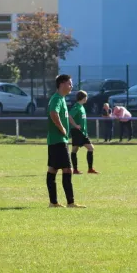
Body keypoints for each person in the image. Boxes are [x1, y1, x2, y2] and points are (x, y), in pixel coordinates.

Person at [46, 74, 86, 208]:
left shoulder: (61, 98)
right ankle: (70, 202)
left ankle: (53, 202)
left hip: (56, 140)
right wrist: (62, 128)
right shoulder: (57, 99)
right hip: (58, 140)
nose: (71, 86)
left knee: (52, 169)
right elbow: (53, 113)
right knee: (67, 169)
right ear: (62, 84)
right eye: (69, 83)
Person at [69, 91, 100, 175]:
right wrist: (75, 125)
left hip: (82, 132)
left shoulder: (81, 107)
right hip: (77, 132)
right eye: (86, 97)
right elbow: (69, 115)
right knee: (90, 148)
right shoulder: (77, 107)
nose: (87, 98)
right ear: (83, 98)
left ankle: (77, 169)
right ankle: (87, 169)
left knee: (75, 149)